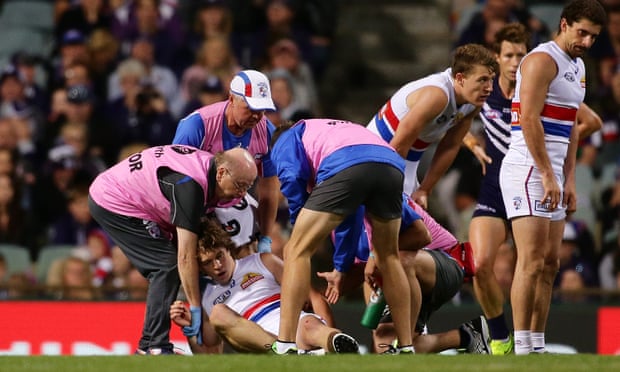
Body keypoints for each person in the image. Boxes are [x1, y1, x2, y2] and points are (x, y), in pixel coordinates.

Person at [499, 0, 606, 355]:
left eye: (593, 36)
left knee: (550, 263)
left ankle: (537, 344)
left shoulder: (577, 66)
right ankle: (521, 347)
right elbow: (528, 119)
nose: (587, 42)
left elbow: (573, 128)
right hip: (528, 168)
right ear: (563, 24)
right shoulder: (542, 60)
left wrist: (569, 179)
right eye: (582, 33)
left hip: (554, 173)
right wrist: (547, 174)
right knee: (529, 261)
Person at [88, 144, 258, 355]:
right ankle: (153, 346)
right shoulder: (190, 187)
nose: (242, 192)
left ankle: (153, 343)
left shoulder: (212, 173)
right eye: (240, 184)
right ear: (221, 173)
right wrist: (194, 306)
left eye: (248, 186)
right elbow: (185, 257)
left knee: (190, 261)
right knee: (166, 266)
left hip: (141, 196)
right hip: (113, 199)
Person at [270, 118, 414, 355]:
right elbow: (351, 213)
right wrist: (341, 267)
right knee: (389, 257)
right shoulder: (329, 129)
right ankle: (407, 346)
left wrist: (299, 225)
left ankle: (285, 344)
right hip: (390, 164)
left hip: (346, 164)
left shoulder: (285, 138)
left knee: (295, 250)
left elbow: (292, 175)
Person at [169, 217, 359, 355]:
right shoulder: (207, 297)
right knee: (218, 312)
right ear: (200, 267)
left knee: (311, 325)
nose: (217, 265)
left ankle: (337, 344)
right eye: (208, 262)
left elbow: (313, 297)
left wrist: (333, 338)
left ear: (228, 249)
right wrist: (189, 326)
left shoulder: (263, 261)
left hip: (291, 327)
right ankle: (281, 350)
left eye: (219, 256)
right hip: (259, 341)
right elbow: (209, 346)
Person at [366, 43, 498, 208]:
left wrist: (424, 190)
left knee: (409, 224)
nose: (489, 88)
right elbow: (399, 143)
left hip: (406, 156)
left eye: (491, 80)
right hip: (379, 150)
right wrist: (385, 185)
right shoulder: (437, 95)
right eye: (483, 80)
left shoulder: (473, 101)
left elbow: (450, 145)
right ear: (460, 78)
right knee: (394, 221)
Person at [173, 69, 280, 256]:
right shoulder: (197, 126)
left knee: (250, 251)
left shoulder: (266, 132)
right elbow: (175, 180)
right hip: (194, 200)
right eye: (251, 108)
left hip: (234, 198)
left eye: (262, 109)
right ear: (231, 99)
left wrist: (265, 237)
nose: (257, 116)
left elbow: (269, 188)